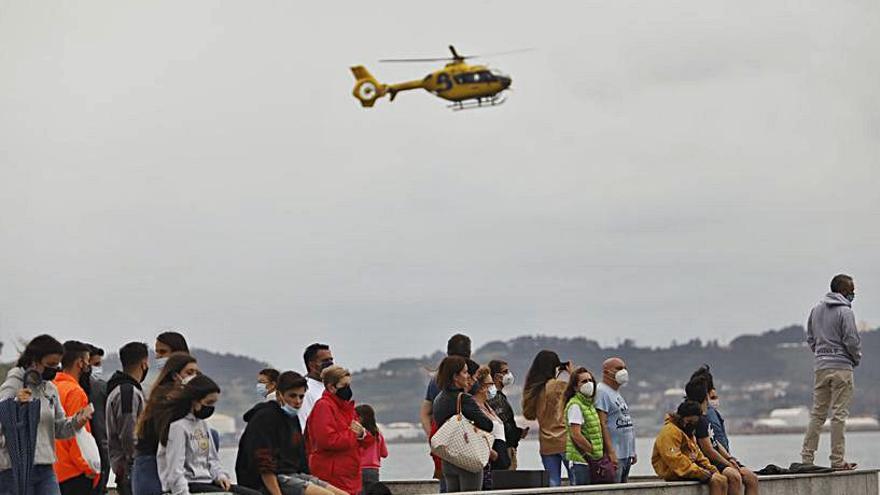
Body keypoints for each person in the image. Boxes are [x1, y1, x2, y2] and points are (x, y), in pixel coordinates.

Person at [0, 335, 92, 495]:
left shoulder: (50, 389)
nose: (54, 369)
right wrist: (15, 405)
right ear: (34, 361)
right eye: (50, 364)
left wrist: (78, 421)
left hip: (46, 467)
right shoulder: (14, 384)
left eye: (57, 364)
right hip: (17, 469)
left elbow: (59, 428)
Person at [236, 371, 345, 495]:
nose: (298, 401)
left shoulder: (292, 417)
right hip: (266, 481)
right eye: (292, 396)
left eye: (301, 396)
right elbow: (263, 464)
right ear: (279, 395)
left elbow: (301, 458)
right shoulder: (265, 417)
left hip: (293, 475)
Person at [156, 375, 259, 495]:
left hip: (207, 482)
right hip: (190, 484)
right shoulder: (177, 427)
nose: (211, 408)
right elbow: (175, 471)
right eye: (208, 403)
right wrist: (182, 492)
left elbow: (212, 459)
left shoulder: (202, 424)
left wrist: (220, 476)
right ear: (194, 401)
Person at [801, 274, 862, 470]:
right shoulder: (845, 312)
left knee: (817, 414)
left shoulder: (816, 310)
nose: (853, 294)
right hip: (842, 367)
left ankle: (807, 458)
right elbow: (851, 340)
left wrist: (821, 354)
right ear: (844, 291)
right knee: (838, 415)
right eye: (851, 291)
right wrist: (855, 358)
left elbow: (811, 338)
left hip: (821, 367)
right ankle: (837, 461)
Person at [133, 353, 200, 495]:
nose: (194, 377)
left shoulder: (166, 396)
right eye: (189, 372)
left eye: (196, 373)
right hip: (151, 462)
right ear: (175, 375)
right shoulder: (167, 399)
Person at [689, 367, 760, 495]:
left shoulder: (706, 416)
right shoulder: (699, 420)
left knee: (751, 478)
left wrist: (730, 458)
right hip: (711, 462)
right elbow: (708, 450)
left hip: (722, 459)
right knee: (734, 477)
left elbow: (715, 442)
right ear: (705, 396)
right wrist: (728, 463)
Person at [306, 366, 372, 495]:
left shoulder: (347, 409)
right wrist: (354, 434)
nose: (348, 389)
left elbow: (368, 440)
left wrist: (362, 434)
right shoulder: (323, 406)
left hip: (349, 475)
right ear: (331, 387)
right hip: (332, 476)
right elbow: (327, 440)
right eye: (344, 385)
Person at [432, 356, 493, 492]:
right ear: (455, 376)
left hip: (448, 459)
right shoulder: (464, 399)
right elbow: (487, 425)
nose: (468, 376)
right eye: (465, 372)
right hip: (467, 457)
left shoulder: (438, 399)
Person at [420, 334, 471, 492]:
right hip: (467, 444)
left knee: (446, 486)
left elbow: (424, 414)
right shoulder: (469, 377)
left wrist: (435, 439)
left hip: (443, 446)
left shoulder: (436, 380)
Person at [652, 400, 728, 495]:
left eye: (694, 422)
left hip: (690, 470)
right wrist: (701, 473)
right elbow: (676, 460)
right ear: (681, 417)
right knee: (716, 481)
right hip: (674, 472)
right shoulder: (669, 432)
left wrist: (712, 470)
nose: (691, 424)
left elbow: (698, 455)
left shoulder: (687, 432)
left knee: (722, 479)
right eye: (689, 421)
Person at [53, 341, 100, 495]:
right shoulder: (75, 392)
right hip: (74, 472)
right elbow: (77, 435)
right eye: (87, 361)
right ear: (80, 363)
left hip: (54, 470)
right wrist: (88, 467)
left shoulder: (52, 387)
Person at [522, 350, 572, 487]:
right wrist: (572, 373)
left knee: (552, 482)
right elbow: (580, 396)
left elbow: (529, 414)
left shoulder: (534, 390)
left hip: (546, 443)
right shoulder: (558, 385)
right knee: (576, 480)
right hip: (565, 440)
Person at [106, 342, 150, 495]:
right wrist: (136, 458)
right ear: (144, 364)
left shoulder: (120, 389)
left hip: (126, 467)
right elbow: (128, 432)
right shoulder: (127, 392)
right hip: (130, 468)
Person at [594, 357, 636, 483]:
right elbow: (602, 423)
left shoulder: (616, 393)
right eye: (618, 368)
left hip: (626, 455)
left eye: (624, 368)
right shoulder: (601, 392)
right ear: (606, 372)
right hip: (615, 456)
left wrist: (632, 450)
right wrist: (611, 452)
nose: (623, 371)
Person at [564, 367, 605, 486]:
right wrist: (592, 450)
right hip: (581, 461)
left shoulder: (588, 404)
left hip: (591, 461)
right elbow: (576, 434)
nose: (589, 384)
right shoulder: (576, 405)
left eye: (590, 380)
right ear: (575, 387)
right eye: (584, 381)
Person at [472, 367, 509, 490]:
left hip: (502, 460)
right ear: (482, 387)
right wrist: (493, 455)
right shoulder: (475, 408)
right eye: (491, 384)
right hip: (492, 462)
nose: (493, 387)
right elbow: (474, 434)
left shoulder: (487, 405)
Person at [487, 360, 528, 470]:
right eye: (505, 371)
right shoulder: (496, 398)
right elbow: (503, 425)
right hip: (504, 449)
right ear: (497, 376)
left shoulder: (496, 396)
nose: (509, 374)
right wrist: (518, 433)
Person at [86, 344, 109, 495]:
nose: (98, 368)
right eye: (96, 364)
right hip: (96, 451)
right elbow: (101, 426)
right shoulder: (100, 388)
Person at [299, 343, 333, 433]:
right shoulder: (305, 389)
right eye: (325, 360)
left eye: (331, 359)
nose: (330, 363)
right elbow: (304, 423)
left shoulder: (331, 387)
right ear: (312, 365)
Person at [354, 404, 388, 493]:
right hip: (373, 470)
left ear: (360, 418)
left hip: (358, 469)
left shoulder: (358, 435)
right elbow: (384, 453)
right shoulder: (378, 435)